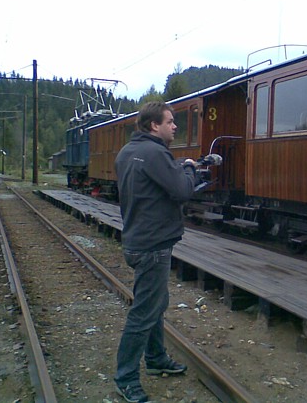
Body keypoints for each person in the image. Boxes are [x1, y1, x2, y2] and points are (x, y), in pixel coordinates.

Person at [113, 101, 197, 403]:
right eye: (170, 121)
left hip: (136, 240)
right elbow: (183, 191)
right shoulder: (156, 153)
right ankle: (125, 378)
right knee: (144, 313)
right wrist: (189, 168)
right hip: (153, 246)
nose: (175, 126)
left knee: (155, 304)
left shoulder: (126, 153)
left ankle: (157, 357)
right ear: (154, 126)